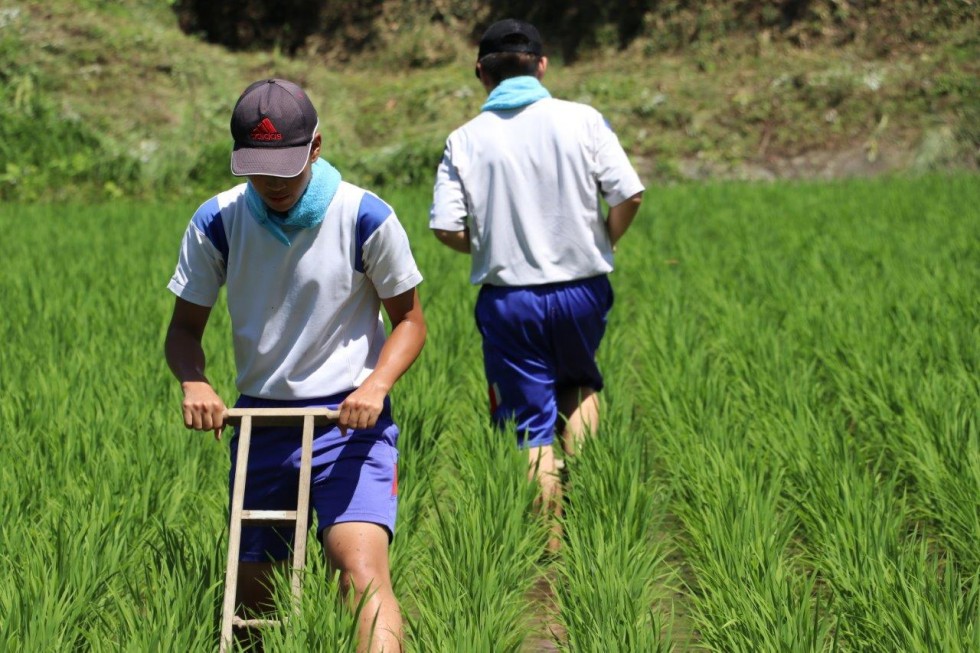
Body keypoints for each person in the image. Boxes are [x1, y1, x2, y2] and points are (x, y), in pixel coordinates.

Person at [165, 78, 425, 652]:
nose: (272, 183)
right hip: (260, 424)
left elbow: (410, 322)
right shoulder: (217, 221)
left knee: (359, 572)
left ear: (315, 147)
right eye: (258, 169)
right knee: (253, 597)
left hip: (350, 421)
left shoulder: (365, 217)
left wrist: (377, 385)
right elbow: (184, 332)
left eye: (285, 166)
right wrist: (194, 382)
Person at [429, 19, 644, 545]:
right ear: (542, 66)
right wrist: (603, 243)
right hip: (582, 290)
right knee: (580, 384)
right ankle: (596, 516)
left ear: (481, 73)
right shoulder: (583, 120)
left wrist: (487, 248)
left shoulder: (465, 140)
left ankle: (548, 547)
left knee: (530, 425)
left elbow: (444, 226)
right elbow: (629, 194)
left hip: (510, 299)